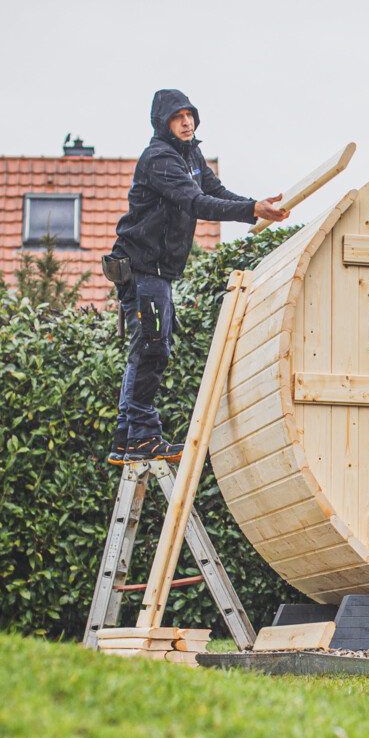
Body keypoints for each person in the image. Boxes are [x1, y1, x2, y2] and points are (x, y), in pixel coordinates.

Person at [106, 89, 288, 464]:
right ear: (163, 123)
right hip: (141, 268)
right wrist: (252, 209)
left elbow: (214, 190)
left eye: (190, 115)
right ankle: (141, 436)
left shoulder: (190, 155)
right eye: (178, 117)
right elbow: (196, 202)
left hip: (157, 270)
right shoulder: (159, 159)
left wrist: (256, 207)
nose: (187, 122)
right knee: (152, 348)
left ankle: (127, 438)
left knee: (147, 348)